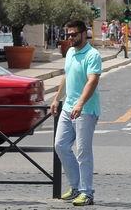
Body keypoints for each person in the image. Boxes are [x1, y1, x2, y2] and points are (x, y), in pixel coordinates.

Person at [52, 20, 102, 207]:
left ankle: (86, 192)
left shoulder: (92, 55)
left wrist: (80, 103)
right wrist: (57, 98)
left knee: (83, 151)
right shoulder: (70, 52)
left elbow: (92, 81)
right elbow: (66, 75)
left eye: (73, 34)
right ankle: (76, 187)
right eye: (68, 35)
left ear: (84, 34)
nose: (70, 38)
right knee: (61, 146)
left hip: (86, 110)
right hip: (68, 108)